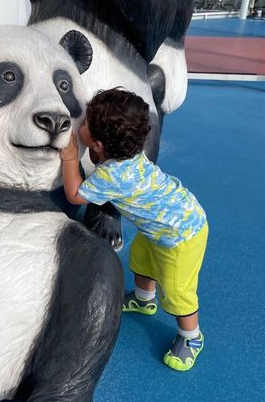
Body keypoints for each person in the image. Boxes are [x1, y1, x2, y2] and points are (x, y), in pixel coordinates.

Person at [60, 88, 208, 371]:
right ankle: (143, 300)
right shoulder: (127, 153)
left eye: (86, 123)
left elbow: (75, 195)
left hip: (181, 237)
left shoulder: (112, 175)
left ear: (100, 145)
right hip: (165, 225)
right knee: (141, 259)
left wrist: (69, 159)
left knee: (178, 291)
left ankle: (192, 337)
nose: (81, 124)